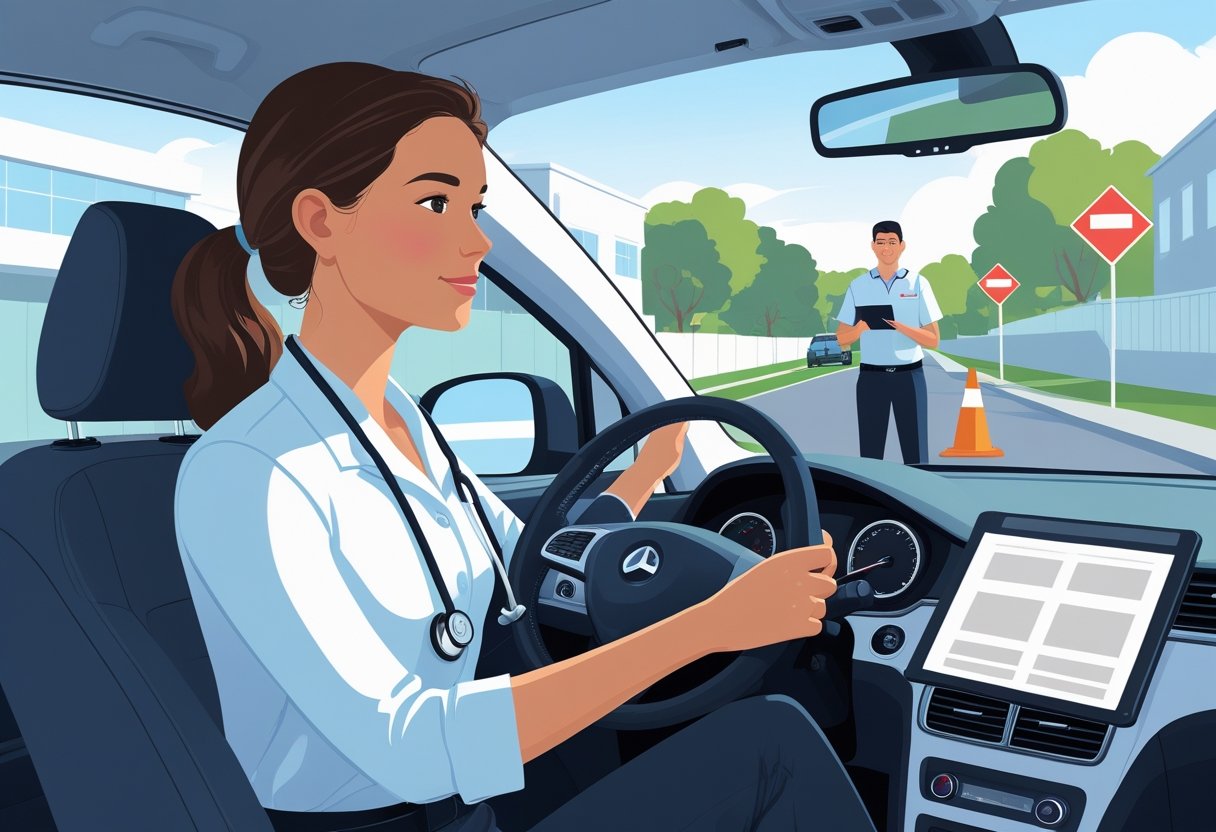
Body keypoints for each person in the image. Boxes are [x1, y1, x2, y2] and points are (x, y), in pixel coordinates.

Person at [171, 62, 875, 832]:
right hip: (392, 819)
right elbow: (409, 745)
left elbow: (529, 561)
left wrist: (644, 476)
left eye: (475, 207)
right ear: (321, 221)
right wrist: (711, 625)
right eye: (436, 202)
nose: (476, 240)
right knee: (771, 747)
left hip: (467, 809)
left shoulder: (404, 423)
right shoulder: (249, 471)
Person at [836, 221, 943, 465]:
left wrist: (900, 327)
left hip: (910, 378)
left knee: (916, 454)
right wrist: (860, 329)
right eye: (881, 242)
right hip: (871, 379)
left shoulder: (918, 283)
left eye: (892, 242)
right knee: (870, 456)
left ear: (902, 246)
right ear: (873, 246)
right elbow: (841, 338)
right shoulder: (858, 286)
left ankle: (919, 487)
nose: (886, 248)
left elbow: (934, 340)